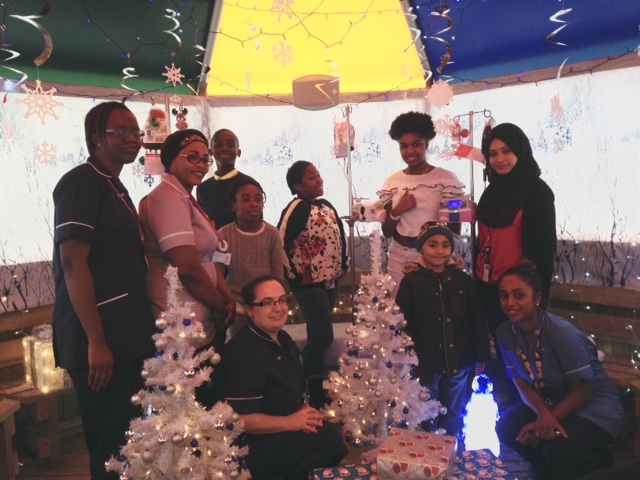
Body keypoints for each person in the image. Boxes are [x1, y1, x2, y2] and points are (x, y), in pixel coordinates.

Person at [52, 101, 157, 480]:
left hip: (124, 330)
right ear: (96, 138)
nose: (133, 139)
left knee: (130, 439)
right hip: (97, 335)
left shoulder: (113, 184)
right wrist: (96, 340)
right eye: (121, 132)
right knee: (112, 447)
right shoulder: (81, 182)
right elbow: (72, 264)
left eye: (136, 132)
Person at [495, 261, 623, 480]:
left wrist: (547, 420)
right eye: (504, 296)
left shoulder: (561, 333)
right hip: (550, 402)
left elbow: (583, 392)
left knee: (557, 450)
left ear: (537, 299)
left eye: (518, 295)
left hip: (593, 407)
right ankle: (547, 470)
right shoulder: (505, 332)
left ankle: (602, 467)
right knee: (507, 429)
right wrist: (543, 416)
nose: (510, 303)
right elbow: (521, 382)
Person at [138, 129, 235, 404]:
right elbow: (187, 268)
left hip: (201, 324)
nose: (201, 165)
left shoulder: (185, 196)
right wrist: (219, 305)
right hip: (180, 331)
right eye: (192, 157)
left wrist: (225, 296)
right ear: (170, 161)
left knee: (207, 413)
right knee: (188, 415)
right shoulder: (166, 198)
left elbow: (207, 257)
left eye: (205, 160)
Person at [219, 276, 348, 480]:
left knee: (329, 435)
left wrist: (303, 410)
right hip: (254, 446)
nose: (278, 308)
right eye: (267, 303)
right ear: (250, 310)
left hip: (281, 429)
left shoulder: (283, 338)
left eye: (282, 300)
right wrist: (290, 422)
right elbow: (237, 420)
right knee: (327, 440)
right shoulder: (244, 353)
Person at [476, 122, 556, 406]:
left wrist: (533, 296)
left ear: (521, 151)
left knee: (525, 355)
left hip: (519, 292)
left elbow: (544, 250)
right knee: (501, 350)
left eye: (506, 151)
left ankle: (531, 413)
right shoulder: (492, 191)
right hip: (488, 284)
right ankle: (507, 410)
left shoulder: (537, 192)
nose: (499, 159)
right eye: (493, 153)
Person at [395, 221, 490, 441]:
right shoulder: (411, 282)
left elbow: (477, 318)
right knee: (425, 409)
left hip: (459, 361)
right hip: (426, 363)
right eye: (433, 245)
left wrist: (481, 353)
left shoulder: (463, 281)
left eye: (445, 245)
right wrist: (409, 354)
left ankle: (452, 446)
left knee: (454, 411)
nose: (440, 251)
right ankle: (426, 453)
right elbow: (403, 321)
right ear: (421, 248)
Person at [277, 161, 348, 409]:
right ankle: (295, 381)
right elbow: (280, 241)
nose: (318, 180)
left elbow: (339, 236)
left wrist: (343, 264)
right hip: (308, 284)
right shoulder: (296, 207)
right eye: (311, 177)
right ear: (297, 186)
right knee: (323, 337)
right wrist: (293, 275)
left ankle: (316, 393)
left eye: (318, 175)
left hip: (329, 281)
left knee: (318, 335)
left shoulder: (326, 206)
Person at [378, 111, 465, 295]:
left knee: (432, 309)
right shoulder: (392, 182)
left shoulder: (445, 179)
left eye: (416, 144)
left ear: (426, 144)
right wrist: (398, 210)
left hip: (435, 257)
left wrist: (450, 256)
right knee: (399, 311)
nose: (410, 151)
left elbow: (454, 226)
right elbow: (387, 231)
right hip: (399, 255)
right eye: (404, 146)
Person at [218, 177, 286, 339]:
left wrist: (275, 303)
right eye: (246, 199)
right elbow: (218, 273)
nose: (254, 204)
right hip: (238, 307)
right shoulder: (224, 234)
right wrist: (226, 303)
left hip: (266, 306)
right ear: (234, 206)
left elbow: (277, 275)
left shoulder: (271, 234)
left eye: (258, 199)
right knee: (242, 350)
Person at [196, 128, 254, 229]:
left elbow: (257, 223)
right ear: (210, 152)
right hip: (212, 243)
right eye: (219, 145)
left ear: (238, 152)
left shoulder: (249, 185)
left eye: (231, 145)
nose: (225, 148)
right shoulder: (202, 188)